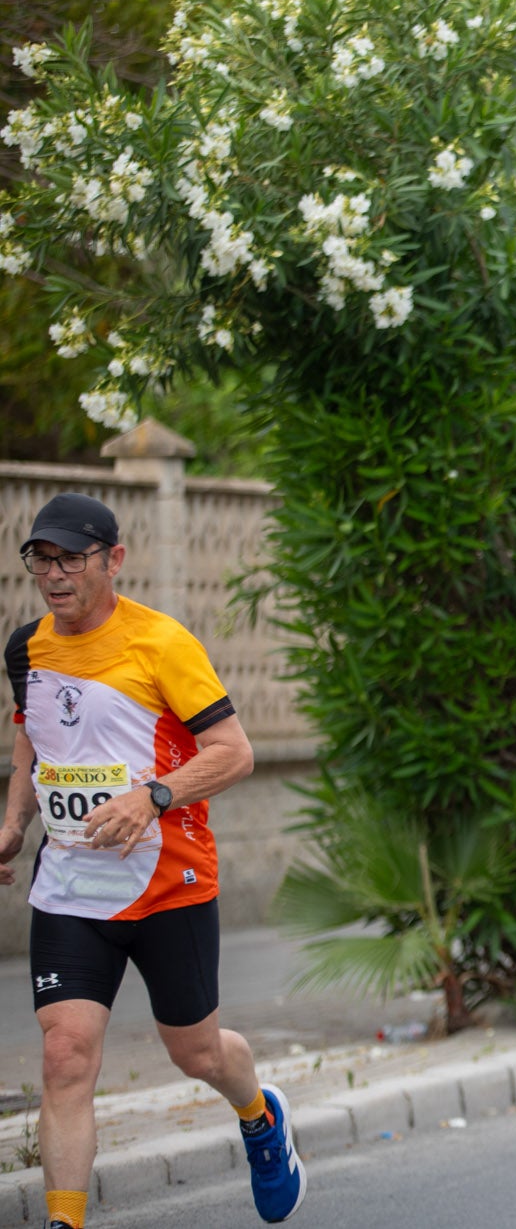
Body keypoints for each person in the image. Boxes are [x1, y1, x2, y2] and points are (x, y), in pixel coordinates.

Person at [0, 493, 305, 1228]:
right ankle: (64, 1221)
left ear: (114, 559)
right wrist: (13, 818)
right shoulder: (25, 648)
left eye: (72, 557)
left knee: (196, 1052)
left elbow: (235, 753)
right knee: (66, 1056)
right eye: (43, 558)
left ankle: (261, 1117)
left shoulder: (161, 643)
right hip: (72, 886)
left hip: (170, 883)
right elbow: (34, 735)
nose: (55, 573)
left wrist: (153, 797)